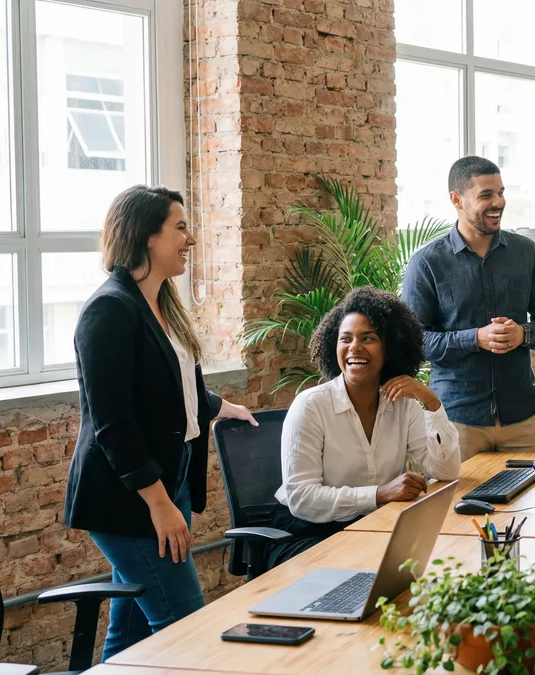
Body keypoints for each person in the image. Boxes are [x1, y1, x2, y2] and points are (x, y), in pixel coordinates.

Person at [64, 185, 257, 660]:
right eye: (180, 228)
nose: (190, 239)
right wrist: (159, 503)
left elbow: (171, 386)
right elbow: (113, 422)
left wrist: (217, 407)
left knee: (130, 639)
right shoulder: (109, 310)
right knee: (185, 626)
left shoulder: (163, 302)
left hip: (168, 483)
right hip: (130, 498)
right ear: (147, 237)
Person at [271, 287, 461, 564]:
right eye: (345, 339)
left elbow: (445, 471)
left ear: (390, 347)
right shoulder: (311, 406)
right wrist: (379, 494)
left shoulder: (403, 403)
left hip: (372, 525)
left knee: (435, 561)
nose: (354, 347)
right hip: (305, 534)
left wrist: (431, 403)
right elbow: (302, 498)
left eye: (368, 338)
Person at [402, 156, 535, 460]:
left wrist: (522, 334)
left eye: (500, 193)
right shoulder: (426, 264)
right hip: (457, 421)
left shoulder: (525, 253)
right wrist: (475, 338)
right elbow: (416, 342)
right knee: (456, 508)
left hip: (523, 417)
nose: (498, 202)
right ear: (456, 200)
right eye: (486, 195)